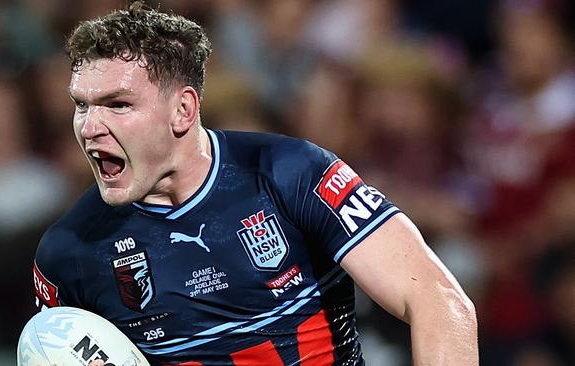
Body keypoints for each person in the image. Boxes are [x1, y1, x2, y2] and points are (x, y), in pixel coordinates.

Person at [32, 1, 478, 365]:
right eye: (82, 106)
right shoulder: (69, 254)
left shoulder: (289, 173)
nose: (90, 127)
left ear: (183, 111)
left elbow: (437, 301)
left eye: (117, 104)